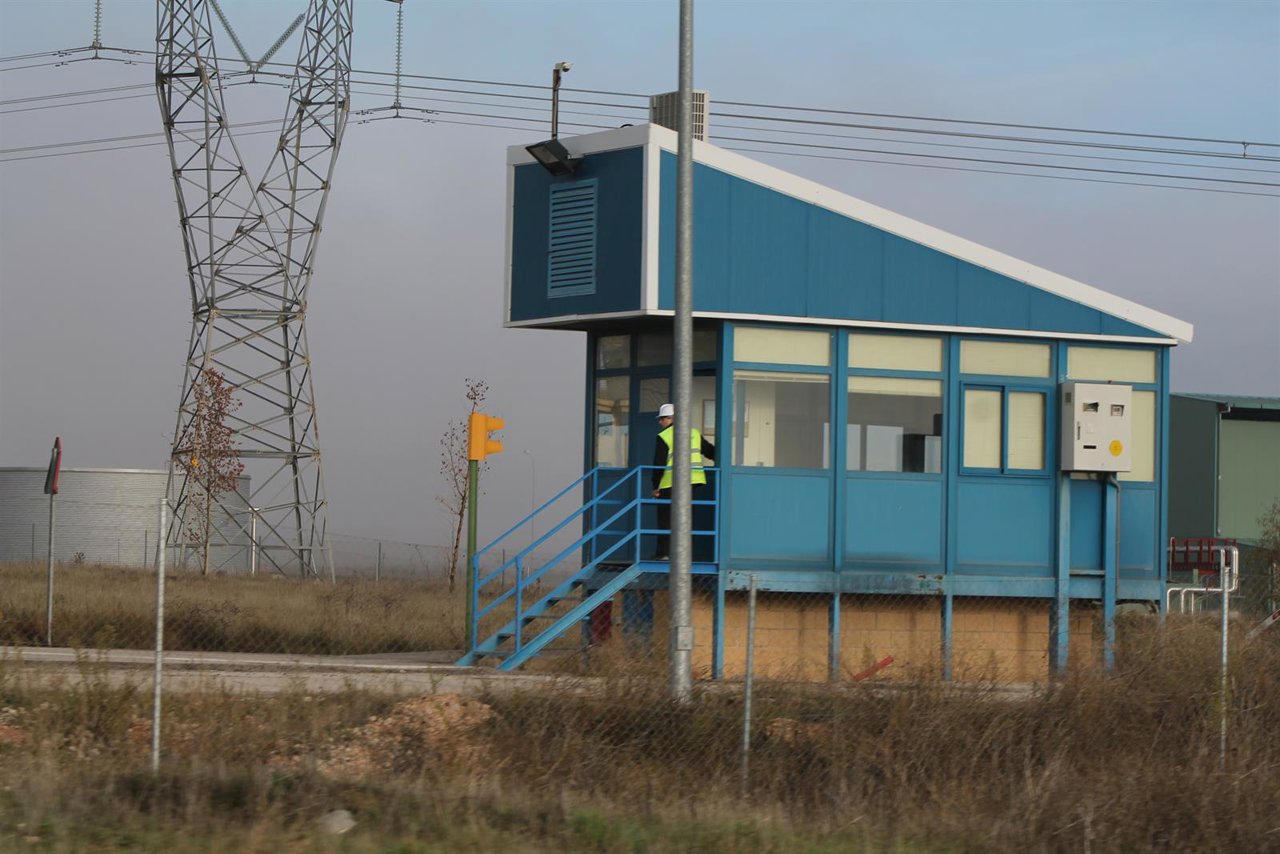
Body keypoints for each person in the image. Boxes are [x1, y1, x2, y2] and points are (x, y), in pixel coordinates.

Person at [650, 402, 716, 559]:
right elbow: (710, 451)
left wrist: (655, 486)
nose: (660, 422)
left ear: (671, 418)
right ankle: (685, 554)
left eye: (662, 419)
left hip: (671, 482)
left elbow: (659, 463)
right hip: (693, 481)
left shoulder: (664, 436)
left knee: (666, 516)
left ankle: (663, 553)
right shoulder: (693, 433)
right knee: (686, 517)